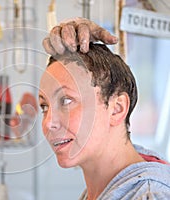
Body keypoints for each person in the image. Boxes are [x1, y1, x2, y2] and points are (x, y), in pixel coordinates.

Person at [39, 24, 170, 199]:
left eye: (66, 101)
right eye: (44, 107)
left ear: (117, 109)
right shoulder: (105, 189)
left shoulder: (151, 195)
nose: (48, 123)